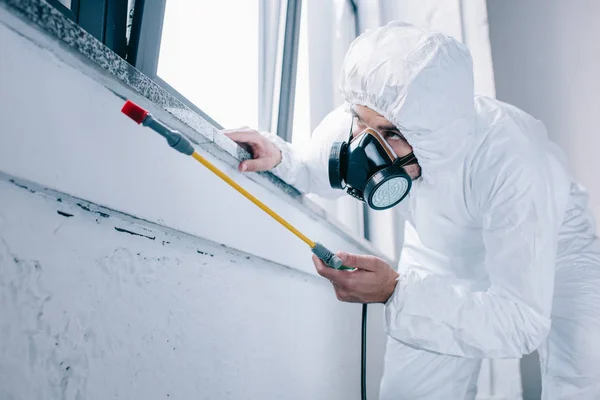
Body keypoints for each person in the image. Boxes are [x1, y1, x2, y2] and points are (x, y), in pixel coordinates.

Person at [224, 22, 600, 399]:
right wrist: (278, 157)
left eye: (390, 134)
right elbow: (311, 165)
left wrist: (394, 291)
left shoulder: (515, 162)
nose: (364, 147)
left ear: (431, 135)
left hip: (553, 249)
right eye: (359, 121)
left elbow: (521, 321)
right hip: (442, 249)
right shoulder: (371, 109)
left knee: (585, 373)